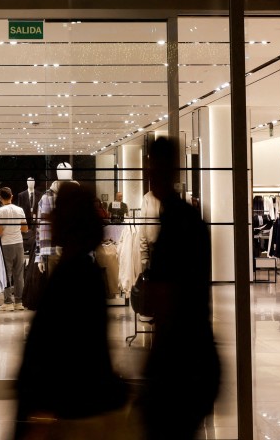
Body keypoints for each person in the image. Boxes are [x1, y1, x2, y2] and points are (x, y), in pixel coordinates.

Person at [14, 182, 128, 438]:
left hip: (70, 409)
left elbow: (68, 350)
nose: (50, 219)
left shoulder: (75, 275)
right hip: (72, 405)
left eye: (57, 212)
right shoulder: (79, 270)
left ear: (69, 219)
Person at [142, 137, 219, 439]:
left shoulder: (179, 223)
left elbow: (168, 298)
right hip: (191, 358)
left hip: (183, 363)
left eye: (152, 168)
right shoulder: (182, 218)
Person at [0, 187, 28, 311]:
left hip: (6, 245)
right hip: (19, 244)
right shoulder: (20, 210)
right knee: (19, 274)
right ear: (11, 196)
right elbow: (25, 229)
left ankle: (8, 302)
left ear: (1, 198)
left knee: (6, 274)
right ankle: (19, 302)